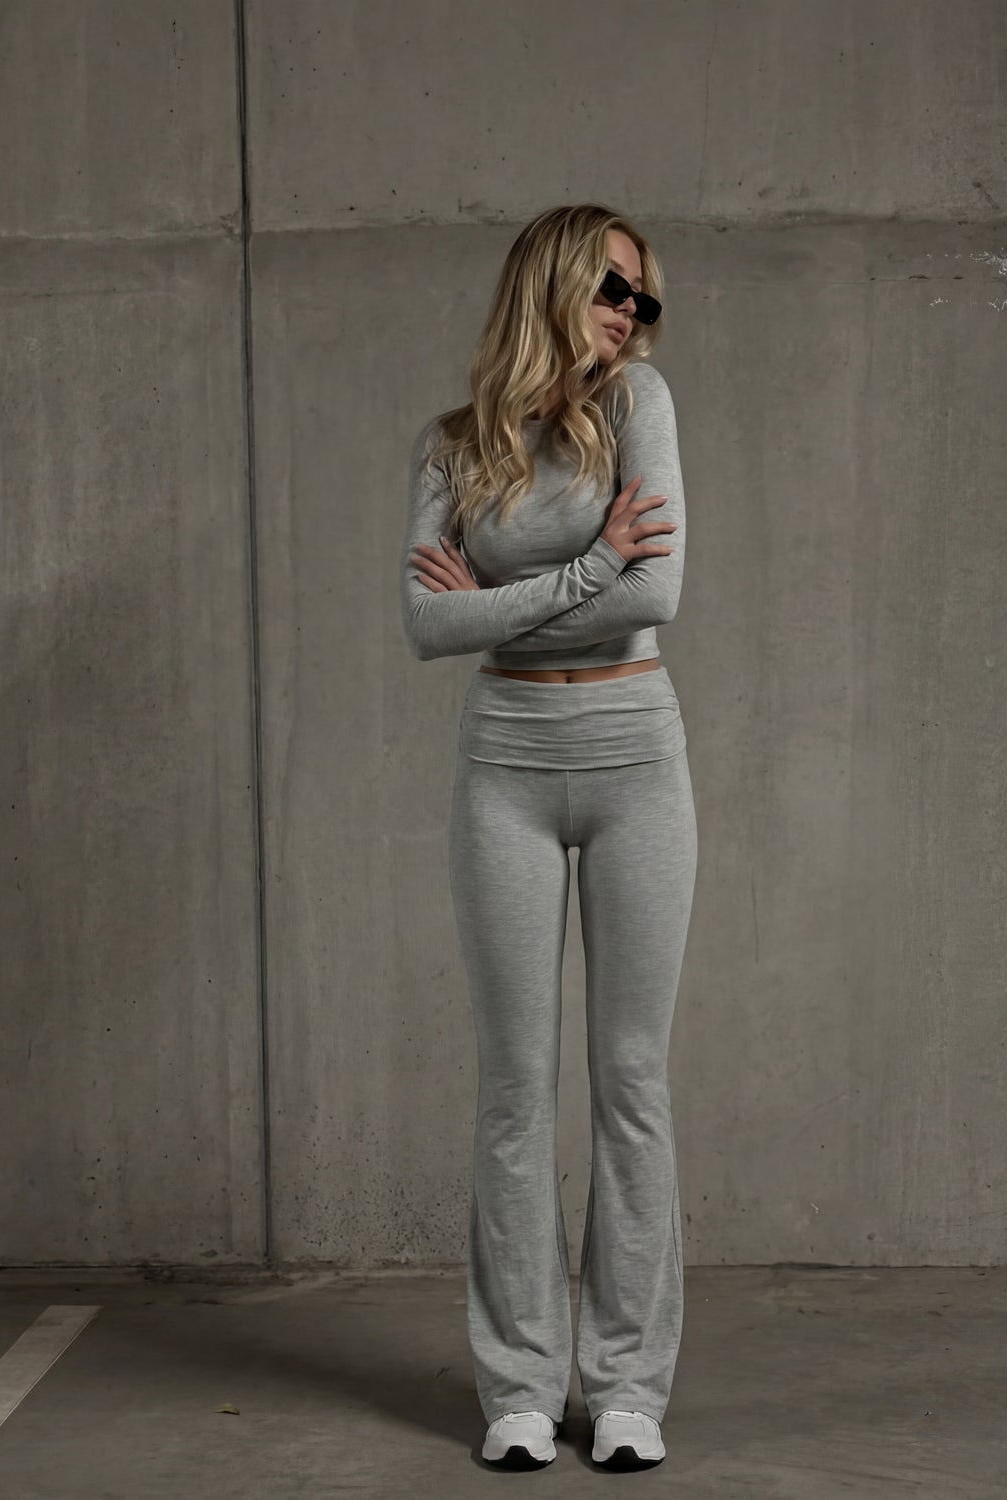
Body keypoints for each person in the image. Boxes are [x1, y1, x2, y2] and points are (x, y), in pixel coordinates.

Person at [399, 204, 695, 1472]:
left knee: (630, 1083)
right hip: (506, 771)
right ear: (553, 282)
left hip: (636, 762)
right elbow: (426, 626)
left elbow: (658, 593)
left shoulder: (639, 408)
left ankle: (626, 1385)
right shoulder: (454, 445)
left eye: (644, 299)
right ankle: (521, 1382)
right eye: (613, 288)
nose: (631, 314)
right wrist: (584, 574)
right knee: (515, 1089)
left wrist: (503, 603)